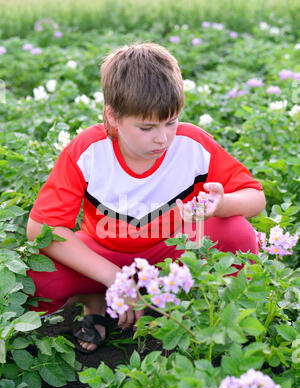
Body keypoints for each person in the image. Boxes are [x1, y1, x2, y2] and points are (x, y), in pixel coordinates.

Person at [26, 42, 266, 352]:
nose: (163, 138)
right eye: (146, 127)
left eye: (171, 122)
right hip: (105, 253)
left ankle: (218, 313)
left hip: (173, 250)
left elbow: (255, 197)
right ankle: (95, 298)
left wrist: (223, 205)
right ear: (113, 117)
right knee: (37, 280)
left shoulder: (192, 143)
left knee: (236, 231)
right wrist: (114, 277)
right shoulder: (89, 151)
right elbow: (41, 230)